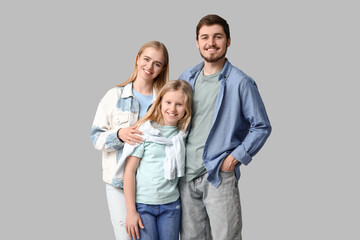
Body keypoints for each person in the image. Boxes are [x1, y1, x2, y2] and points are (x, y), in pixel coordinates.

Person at [178, 14, 272, 240]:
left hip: (218, 174)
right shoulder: (186, 78)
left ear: (228, 41)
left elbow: (261, 126)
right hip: (185, 176)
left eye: (217, 37)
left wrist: (234, 159)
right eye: (205, 37)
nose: (211, 43)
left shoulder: (241, 82)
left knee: (226, 237)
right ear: (197, 43)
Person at [90, 41, 169, 240]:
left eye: (157, 64)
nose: (150, 67)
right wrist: (118, 135)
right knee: (128, 237)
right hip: (119, 184)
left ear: (162, 69)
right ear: (137, 59)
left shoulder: (164, 101)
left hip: (152, 187)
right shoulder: (114, 96)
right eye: (147, 59)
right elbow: (96, 137)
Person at [118, 80, 193, 240]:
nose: (172, 108)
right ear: (159, 103)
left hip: (171, 205)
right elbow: (129, 172)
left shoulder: (183, 135)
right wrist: (131, 211)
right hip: (143, 205)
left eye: (179, 104)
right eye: (168, 102)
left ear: (186, 109)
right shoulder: (145, 132)